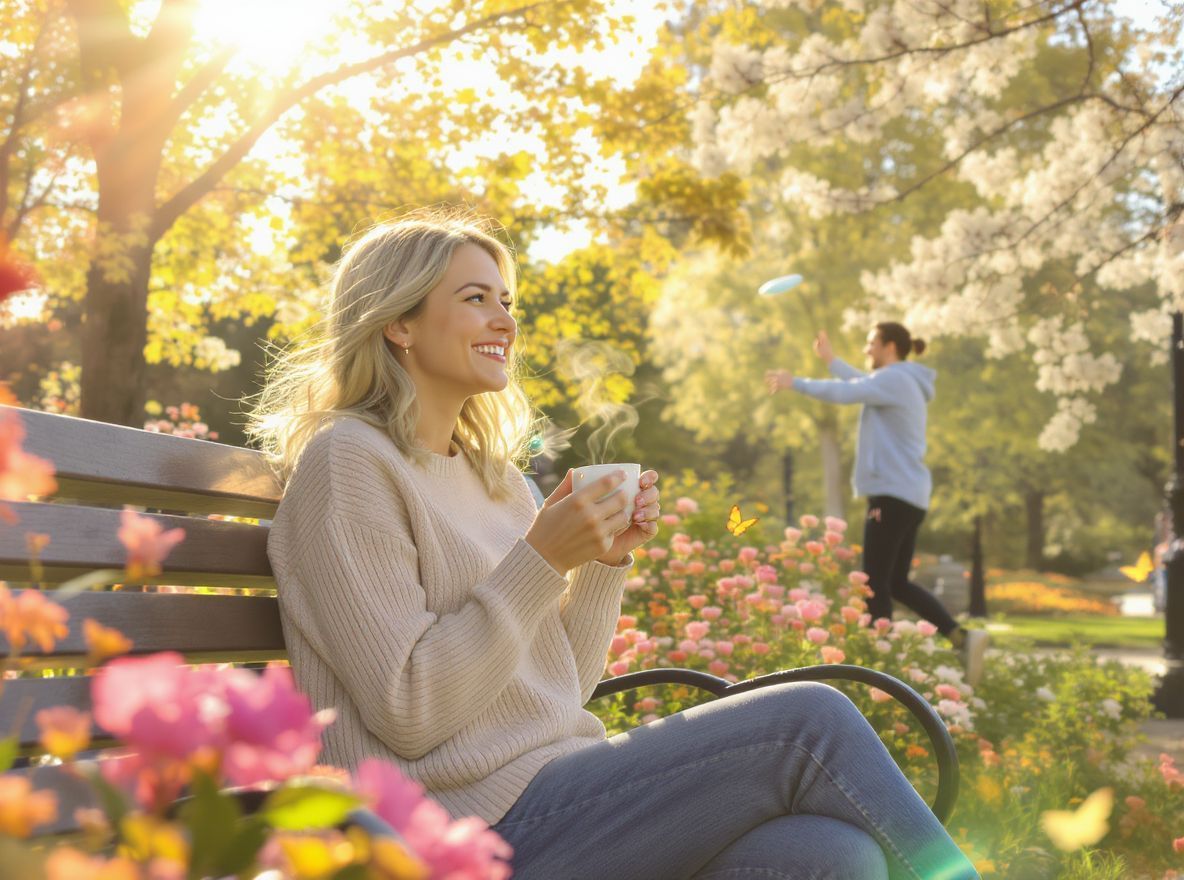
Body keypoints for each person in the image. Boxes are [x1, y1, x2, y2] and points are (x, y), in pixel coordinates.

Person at [251, 212, 979, 880]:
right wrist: (540, 561)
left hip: (559, 798)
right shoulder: (348, 462)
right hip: (450, 834)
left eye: (508, 301)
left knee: (831, 857)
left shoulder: (496, 480)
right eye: (476, 298)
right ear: (398, 324)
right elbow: (409, 711)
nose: (504, 317)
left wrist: (599, 565)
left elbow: (563, 687)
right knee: (808, 721)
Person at [765, 325, 989, 687]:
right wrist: (833, 361)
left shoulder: (896, 381)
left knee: (873, 582)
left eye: (871, 343)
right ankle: (960, 636)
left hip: (891, 495)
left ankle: (878, 666)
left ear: (889, 346)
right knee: (895, 582)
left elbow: (848, 392)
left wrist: (797, 383)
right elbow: (861, 383)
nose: (867, 348)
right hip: (908, 495)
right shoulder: (899, 380)